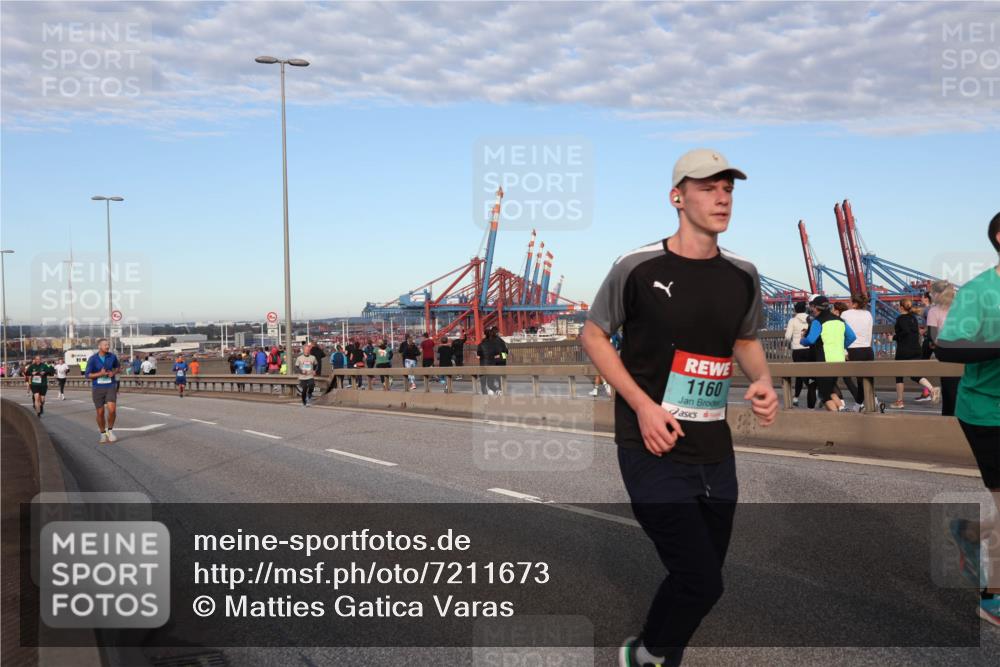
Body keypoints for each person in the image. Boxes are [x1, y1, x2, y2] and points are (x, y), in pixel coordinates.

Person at [580, 148, 777, 667]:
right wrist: (643, 406)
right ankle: (649, 656)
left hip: (714, 446)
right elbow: (593, 335)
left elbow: (747, 339)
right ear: (677, 197)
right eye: (709, 187)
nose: (722, 197)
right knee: (699, 576)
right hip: (650, 442)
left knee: (706, 577)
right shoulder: (636, 266)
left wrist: (763, 381)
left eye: (728, 188)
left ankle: (652, 650)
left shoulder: (744, 274)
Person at [935, 212, 1000, 626]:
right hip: (987, 411)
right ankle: (992, 597)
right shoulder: (980, 291)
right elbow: (947, 348)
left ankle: (971, 532)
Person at [799, 295, 856, 412]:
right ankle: (841, 408)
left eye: (813, 307)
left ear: (815, 308)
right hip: (839, 360)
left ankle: (838, 418)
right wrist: (841, 346)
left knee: (824, 395)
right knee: (828, 390)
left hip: (824, 361)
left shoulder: (818, 322)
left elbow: (810, 340)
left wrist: (802, 340)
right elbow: (852, 337)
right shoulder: (840, 320)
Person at [890, 298, 938, 408]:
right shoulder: (913, 318)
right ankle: (932, 389)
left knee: (899, 375)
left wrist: (893, 337)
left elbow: (905, 332)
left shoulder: (900, 319)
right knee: (915, 375)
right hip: (916, 349)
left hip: (904, 350)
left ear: (901, 307)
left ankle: (900, 402)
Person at [840, 293, 879, 412]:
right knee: (866, 379)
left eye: (850, 302)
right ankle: (873, 401)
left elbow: (843, 333)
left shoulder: (845, 314)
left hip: (852, 349)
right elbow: (869, 333)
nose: (849, 304)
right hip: (867, 349)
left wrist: (844, 350)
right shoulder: (868, 314)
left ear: (854, 303)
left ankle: (860, 404)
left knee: (851, 378)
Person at [925, 280, 958, 416]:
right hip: (965, 352)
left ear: (938, 294)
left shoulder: (934, 311)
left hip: (946, 353)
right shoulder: (960, 308)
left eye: (932, 293)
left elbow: (932, 336)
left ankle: (949, 423)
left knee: (949, 392)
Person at [85, 339, 120, 443]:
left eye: (108, 344)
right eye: (105, 345)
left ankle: (110, 431)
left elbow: (118, 368)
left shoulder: (112, 357)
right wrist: (100, 374)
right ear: (99, 346)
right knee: (100, 413)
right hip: (97, 388)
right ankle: (102, 433)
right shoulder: (93, 359)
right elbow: (87, 375)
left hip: (110, 385)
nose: (108, 346)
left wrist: (113, 373)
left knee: (112, 410)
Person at [784, 301, 815, 408]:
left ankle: (814, 390)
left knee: (800, 373)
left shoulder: (792, 320)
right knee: (804, 373)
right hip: (809, 349)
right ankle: (796, 397)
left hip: (797, 349)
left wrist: (792, 338)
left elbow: (787, 336)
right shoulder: (811, 319)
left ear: (796, 310)